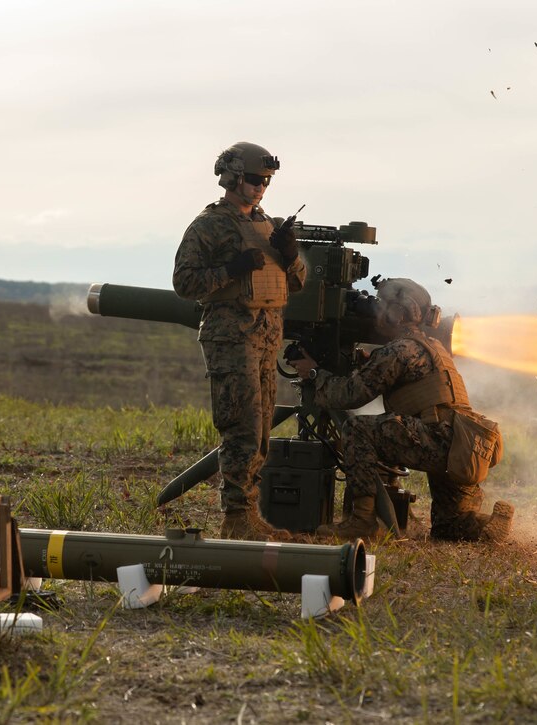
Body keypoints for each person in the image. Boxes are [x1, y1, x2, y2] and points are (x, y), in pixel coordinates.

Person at [288, 278, 514, 543]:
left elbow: (350, 395)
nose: (375, 313)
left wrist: (314, 374)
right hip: (462, 448)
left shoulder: (399, 350)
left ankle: (362, 521)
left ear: (398, 313)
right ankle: (489, 525)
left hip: (437, 439)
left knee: (358, 429)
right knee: (450, 528)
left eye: (381, 306)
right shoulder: (431, 347)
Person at [172, 142, 307, 540]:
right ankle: (236, 516)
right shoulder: (209, 225)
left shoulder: (267, 224)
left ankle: (247, 513)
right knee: (242, 426)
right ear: (232, 177)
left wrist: (291, 254)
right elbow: (185, 283)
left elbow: (295, 282)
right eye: (253, 179)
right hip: (231, 336)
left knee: (262, 427)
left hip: (266, 337)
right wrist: (231, 269)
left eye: (266, 180)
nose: (260, 187)